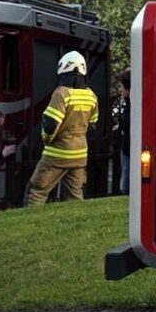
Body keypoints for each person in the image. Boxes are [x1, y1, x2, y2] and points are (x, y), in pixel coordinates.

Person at [25, 51, 99, 206]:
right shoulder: (91, 96)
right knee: (75, 195)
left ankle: (31, 219)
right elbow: (93, 124)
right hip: (80, 153)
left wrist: (46, 139)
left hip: (57, 153)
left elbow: (50, 124)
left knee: (37, 191)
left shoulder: (61, 93)